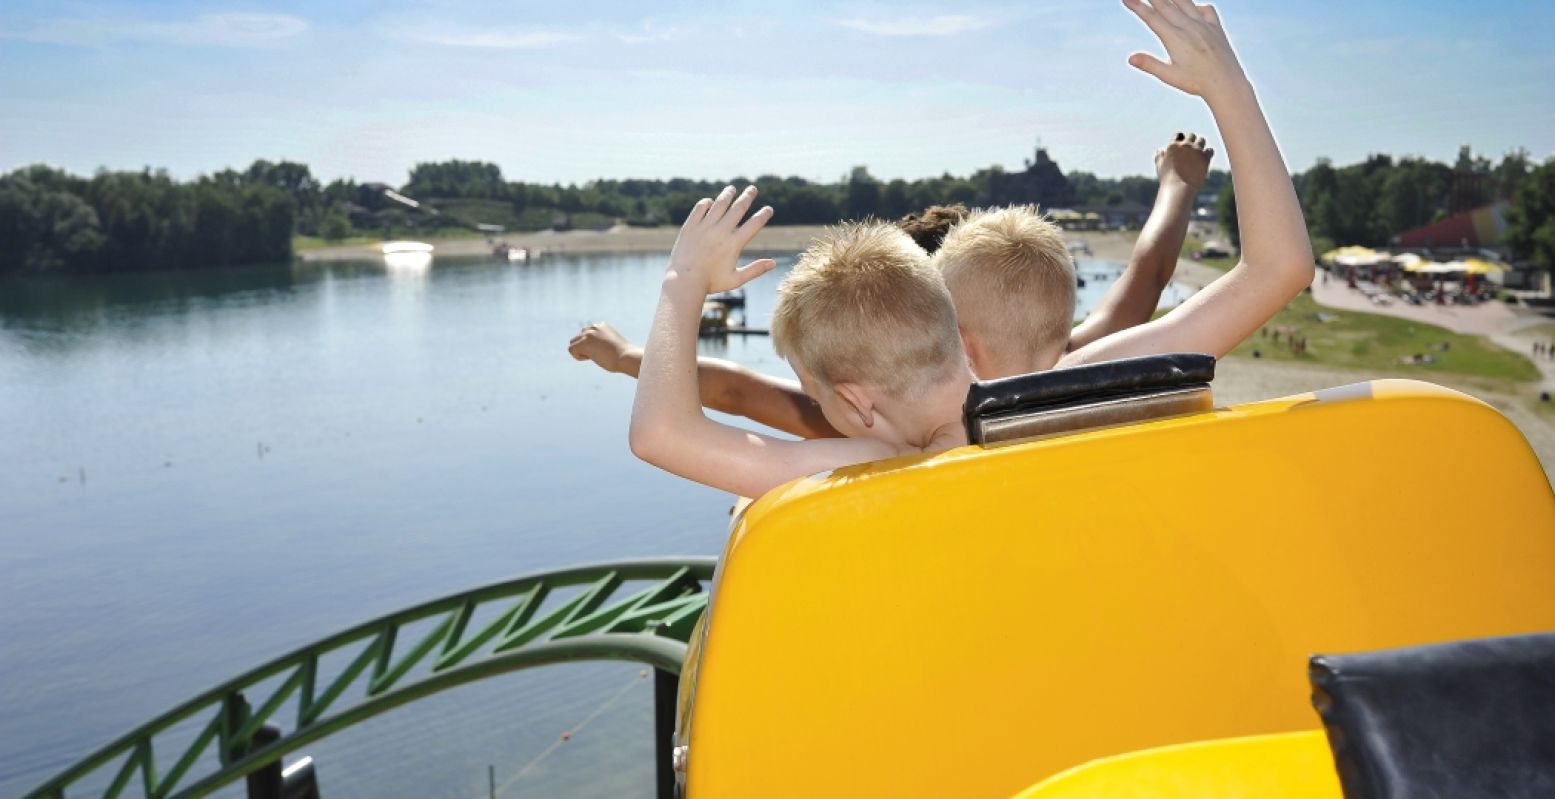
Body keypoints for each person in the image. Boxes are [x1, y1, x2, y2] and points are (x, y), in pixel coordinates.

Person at [622, 0, 1313, 498]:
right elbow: (1279, 266)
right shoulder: (1086, 389)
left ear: (858, 401)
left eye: (818, 394)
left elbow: (661, 436)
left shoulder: (877, 455)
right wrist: (1227, 86)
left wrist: (682, 282)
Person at [571, 133, 1214, 438]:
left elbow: (738, 392)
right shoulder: (1061, 369)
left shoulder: (875, 418)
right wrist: (1177, 185)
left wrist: (630, 358)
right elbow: (1145, 279)